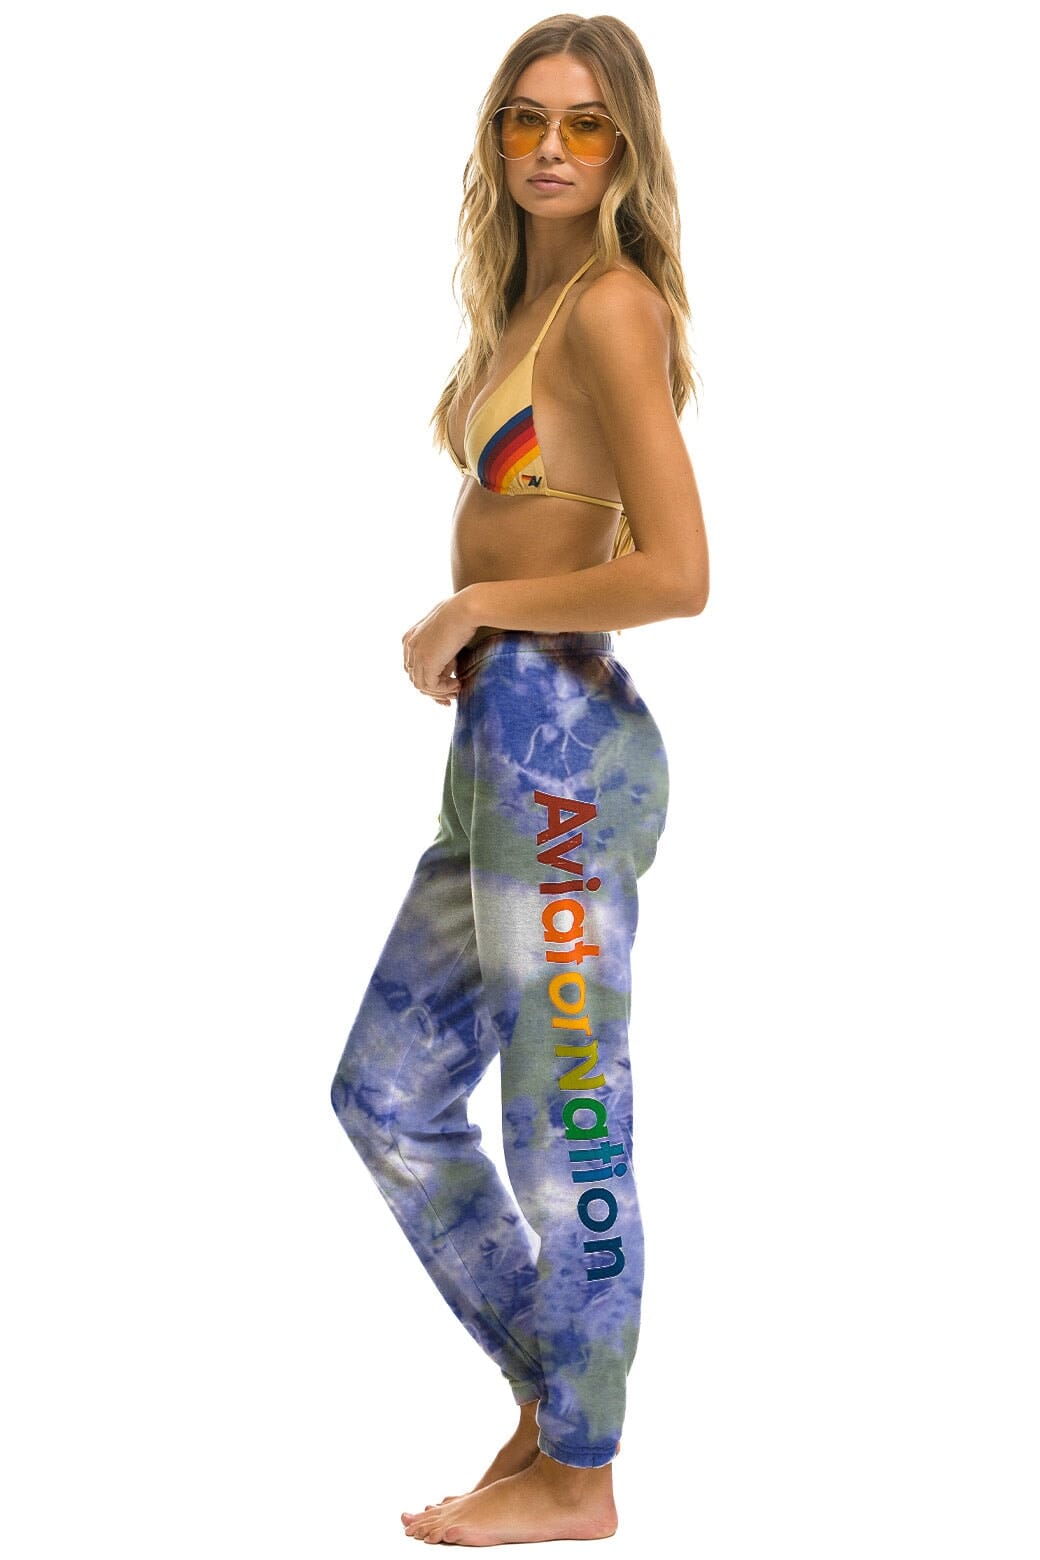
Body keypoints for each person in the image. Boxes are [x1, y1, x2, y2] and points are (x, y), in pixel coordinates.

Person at [330, 12, 708, 1546]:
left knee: (567, 1121)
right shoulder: (526, 303)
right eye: (525, 119)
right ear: (496, 139)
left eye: (587, 123)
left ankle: (581, 1472)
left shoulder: (611, 307)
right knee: (388, 1091)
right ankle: (561, 1410)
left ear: (627, 147)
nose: (553, 146)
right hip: (501, 748)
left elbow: (679, 573)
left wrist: (478, 604)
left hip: (562, 751)